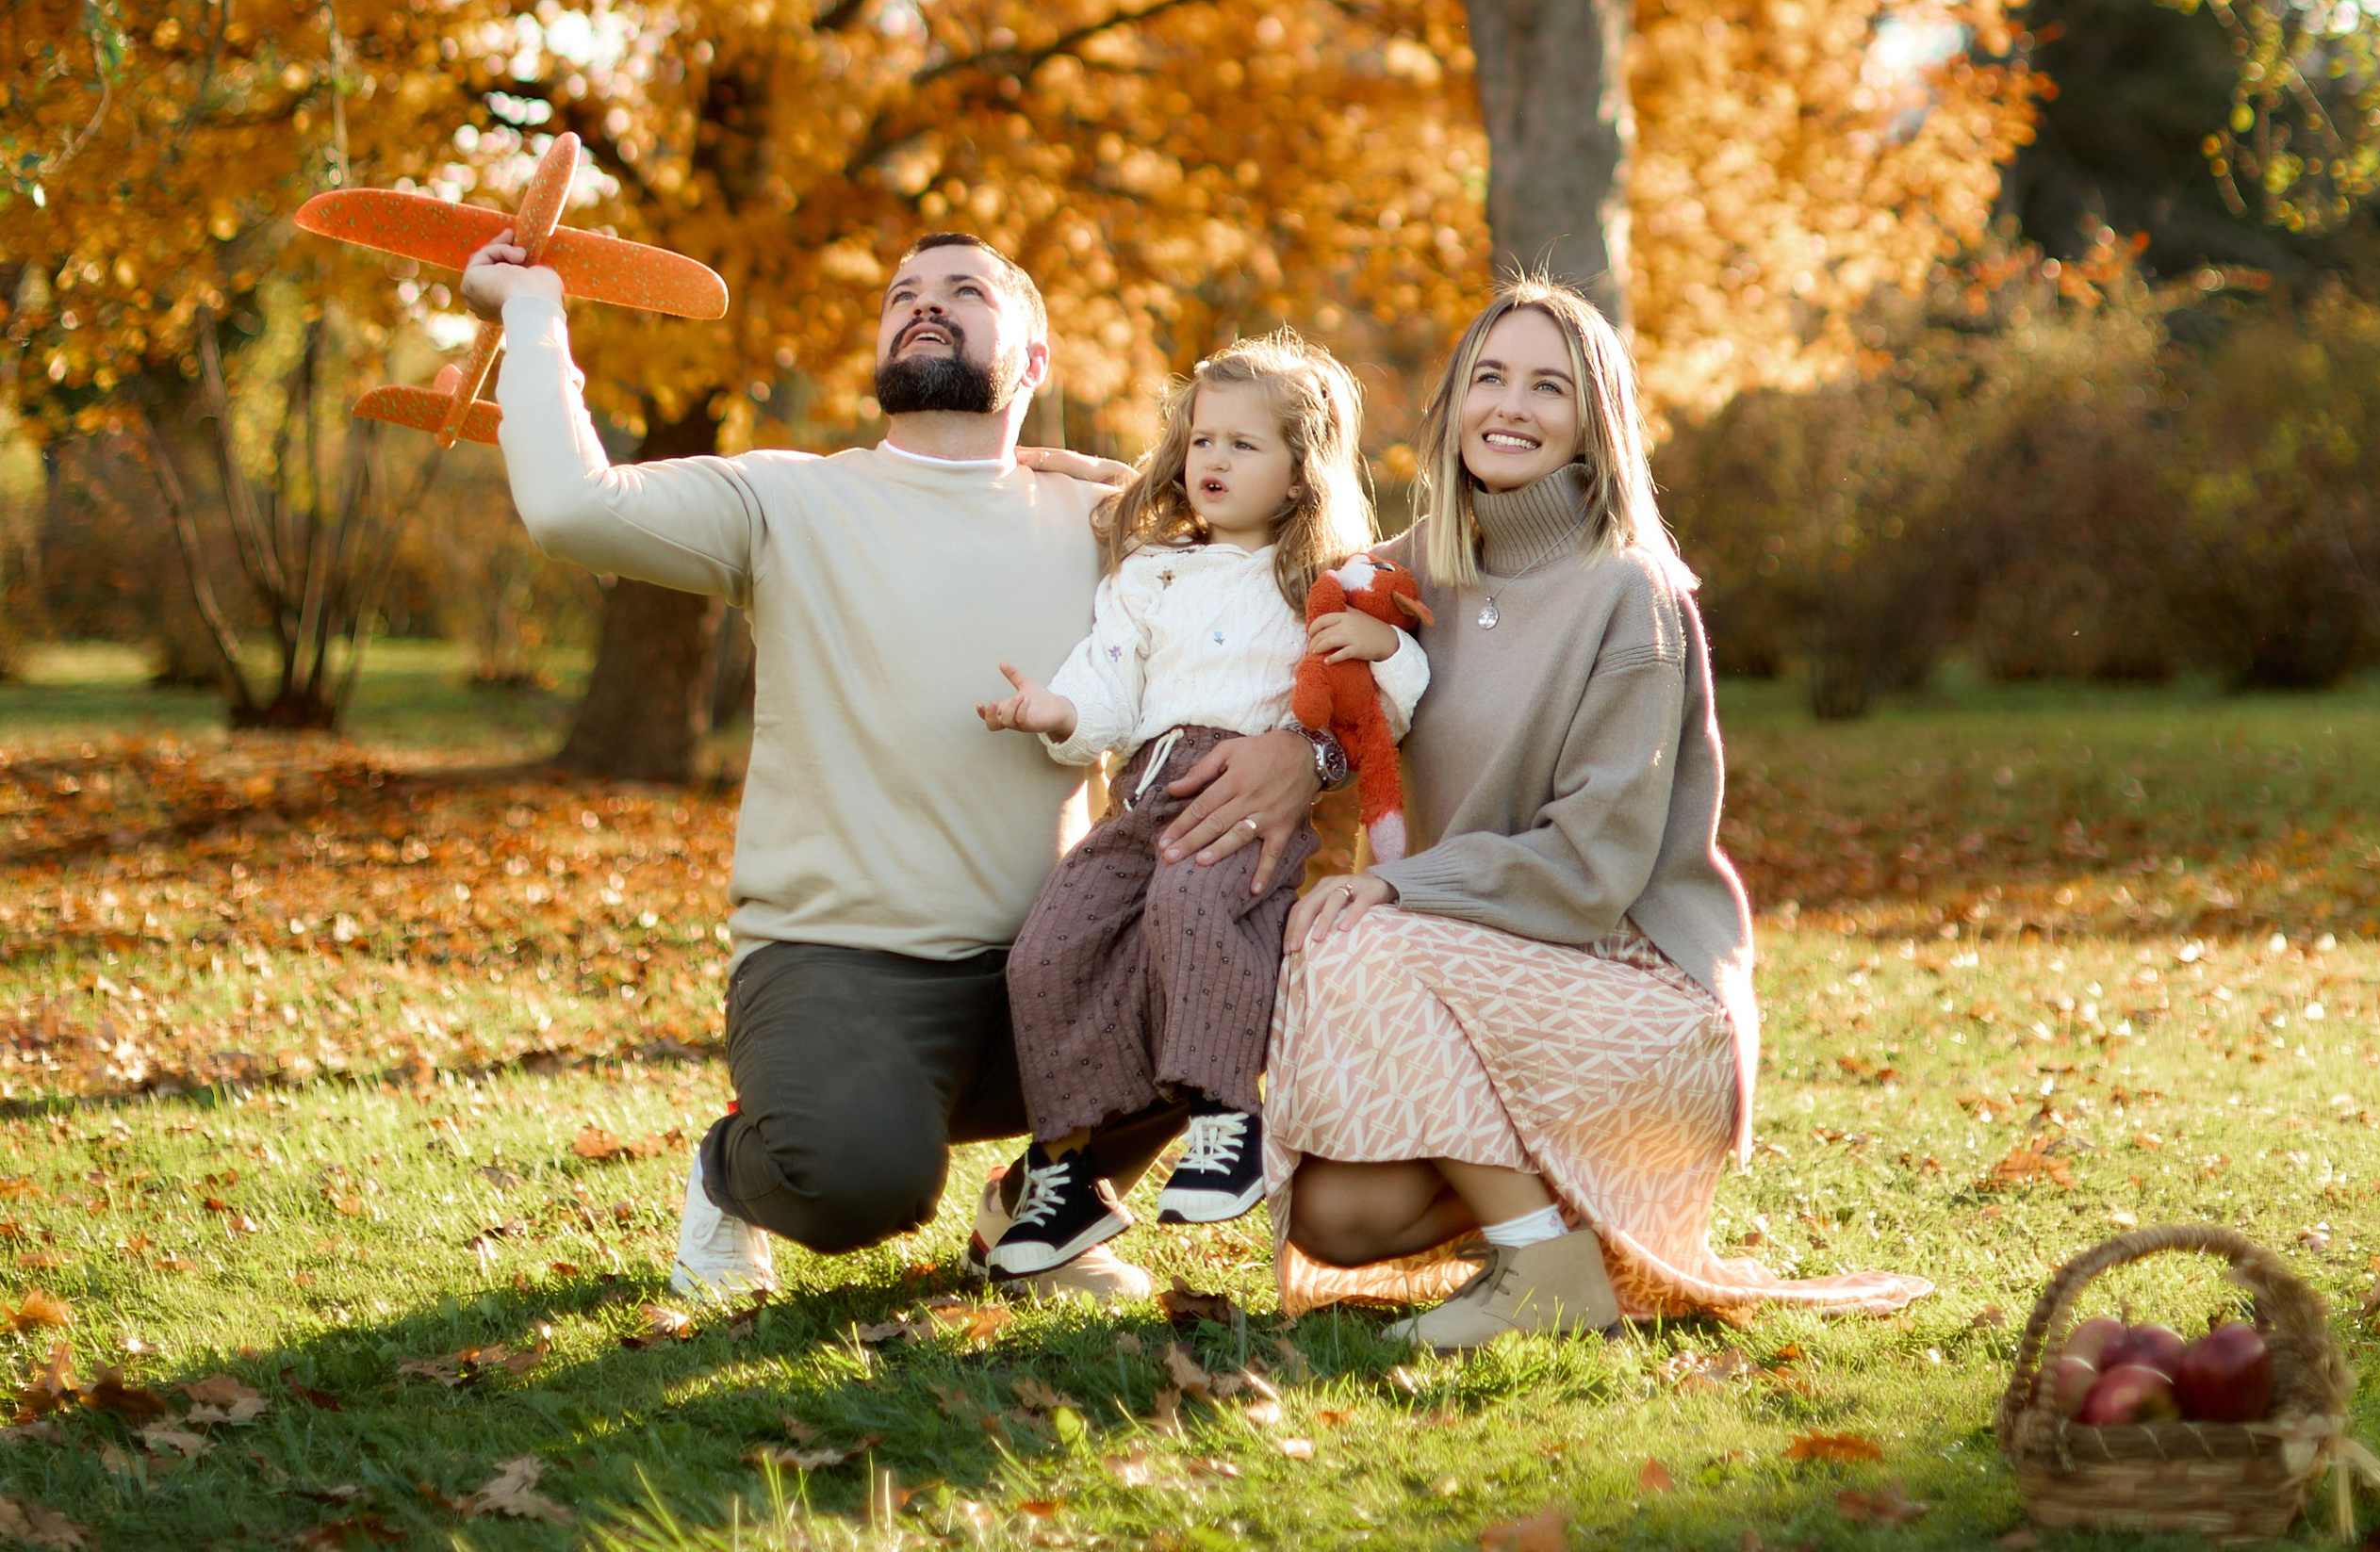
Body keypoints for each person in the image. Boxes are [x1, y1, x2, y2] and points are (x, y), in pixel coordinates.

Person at [463, 223, 1329, 1302]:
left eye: (964, 290)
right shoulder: (786, 501)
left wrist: (1302, 751)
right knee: (858, 1182)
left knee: (1247, 959)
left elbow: (1311, 583)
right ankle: (732, 1172)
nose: (923, 303)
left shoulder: (1120, 526)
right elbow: (568, 507)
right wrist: (535, 313)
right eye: (901, 294)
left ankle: (1038, 1211)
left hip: (1056, 953)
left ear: (1035, 360)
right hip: (844, 959)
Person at [1270, 277, 1929, 1348]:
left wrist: (1394, 882)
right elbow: (1254, 566)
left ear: (1594, 420)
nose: (1511, 407)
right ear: (1453, 403)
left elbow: (1590, 869)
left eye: (1549, 386)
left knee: (1360, 934)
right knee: (1336, 1219)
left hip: (1637, 990)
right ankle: (1569, 1210)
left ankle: (1540, 1265)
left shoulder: (1632, 594)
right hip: (1480, 976)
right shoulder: (1407, 572)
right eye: (1489, 377)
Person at [975, 336, 1424, 1275]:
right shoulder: (1151, 572)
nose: (1211, 461)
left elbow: (1387, 703)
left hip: (1243, 798)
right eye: (1201, 440)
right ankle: (1064, 1175)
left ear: (1302, 473)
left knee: (1190, 908)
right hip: (1144, 787)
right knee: (1050, 945)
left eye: (1243, 445)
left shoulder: (1327, 580)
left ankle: (1229, 1119)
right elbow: (1105, 688)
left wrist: (1387, 655)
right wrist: (1050, 711)